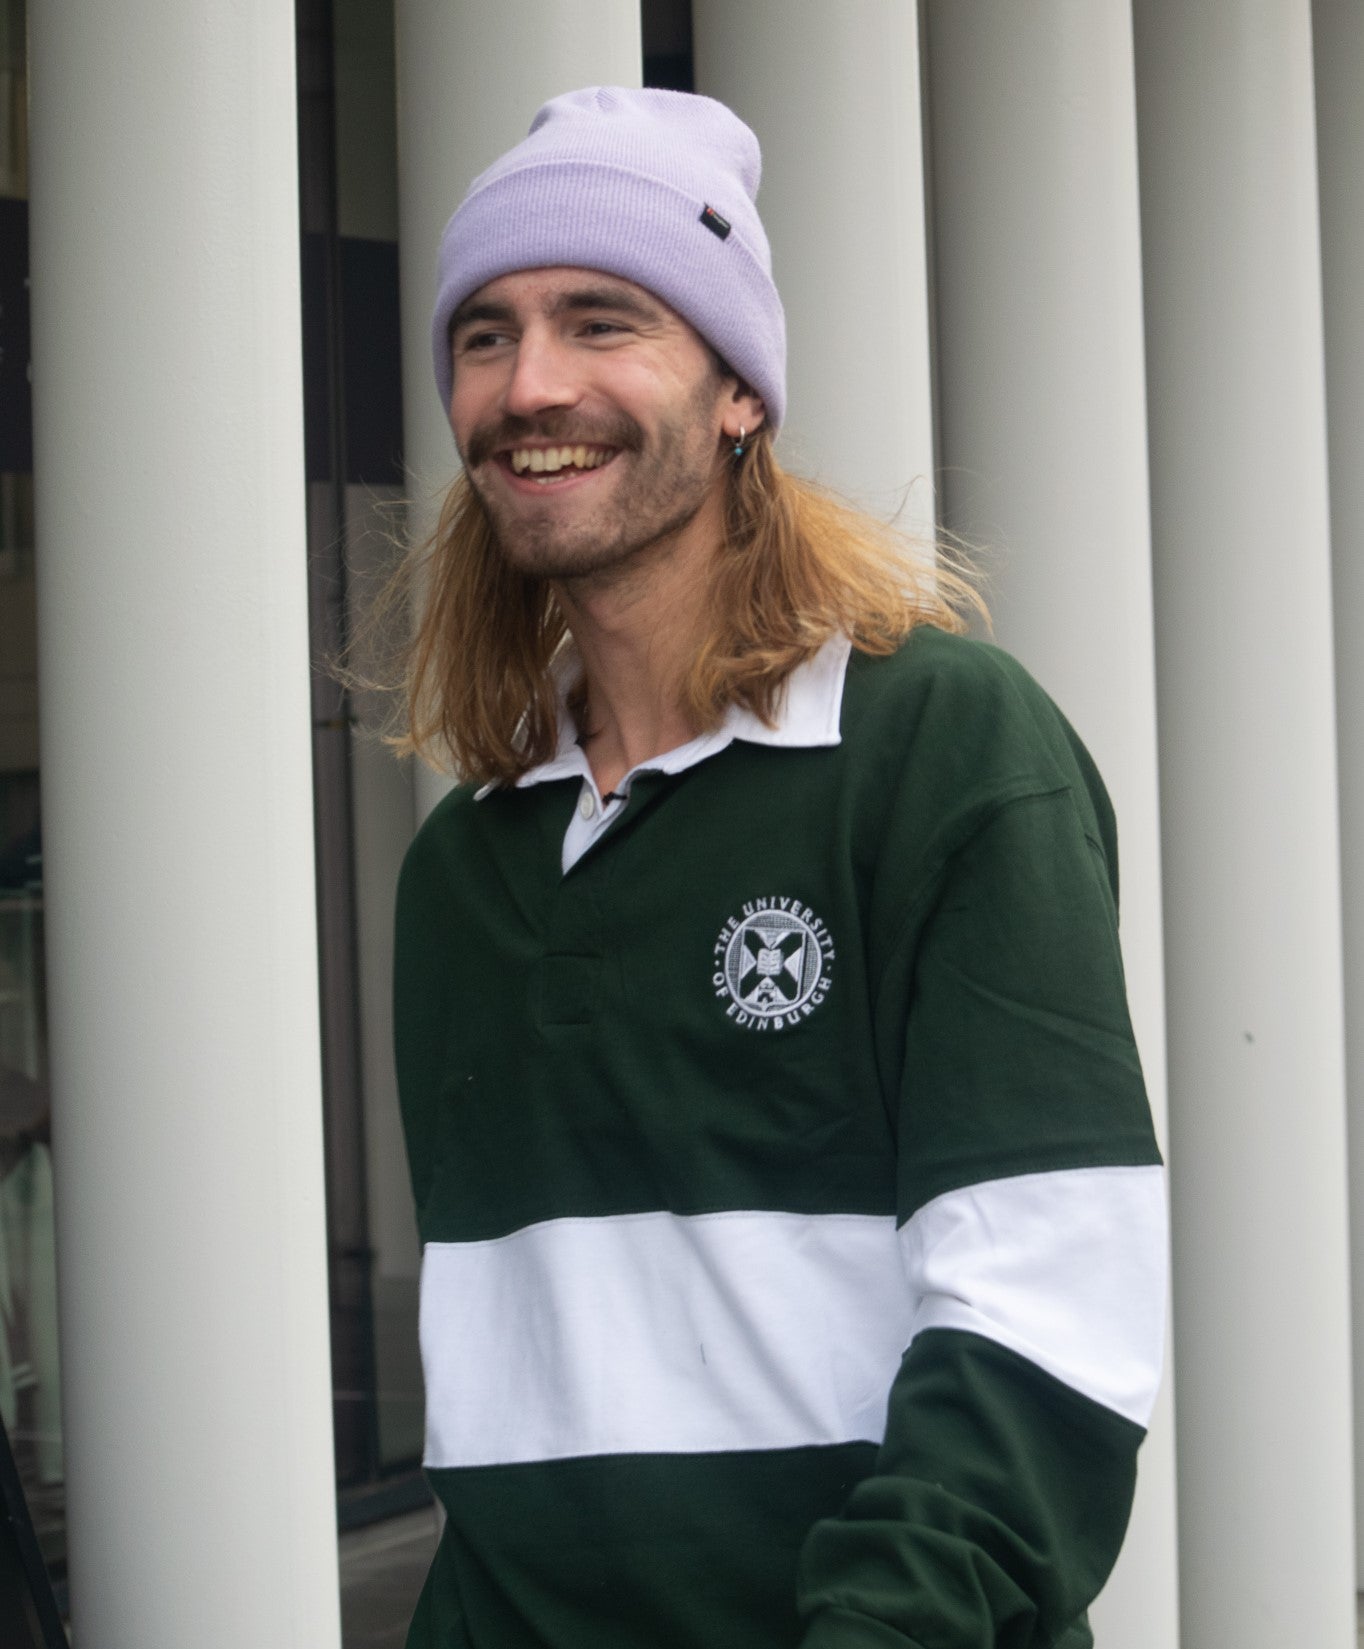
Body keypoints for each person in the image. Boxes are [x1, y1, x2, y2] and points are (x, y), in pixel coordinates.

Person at [392, 86, 1165, 1649]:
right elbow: (511, 1423)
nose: (530, 382)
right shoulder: (463, 870)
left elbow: (1044, 1329)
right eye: (484, 334)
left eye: (600, 319)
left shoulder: (946, 750)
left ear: (738, 390)